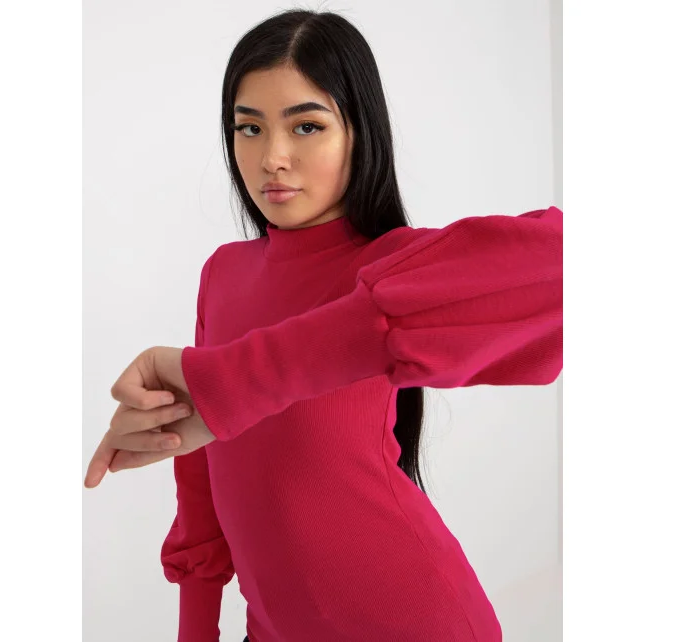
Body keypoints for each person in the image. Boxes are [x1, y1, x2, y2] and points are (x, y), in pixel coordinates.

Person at [84, 8, 562, 641]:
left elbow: (564, 265)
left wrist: (247, 375)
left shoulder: (394, 268)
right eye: (249, 128)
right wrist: (196, 629)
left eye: (306, 126)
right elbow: (200, 476)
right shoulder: (223, 273)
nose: (272, 157)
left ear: (360, 132)